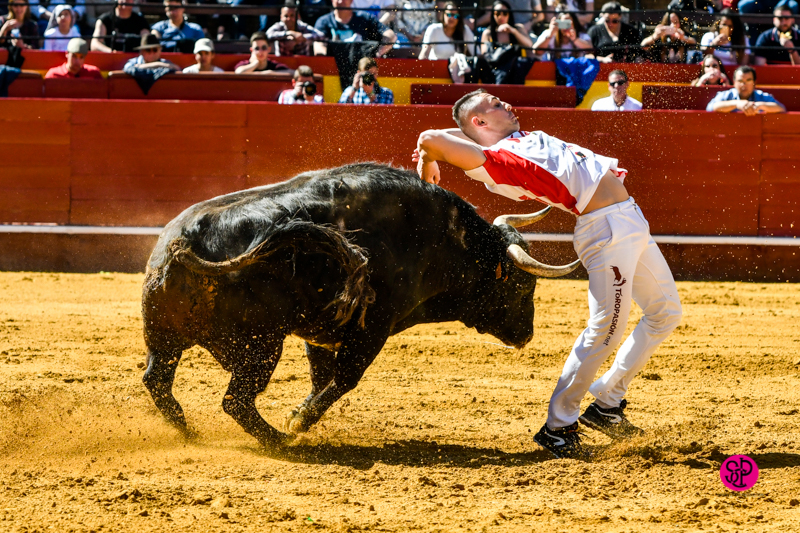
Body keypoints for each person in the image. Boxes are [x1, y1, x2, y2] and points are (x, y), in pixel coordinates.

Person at [413, 89, 682, 459]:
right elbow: (431, 138)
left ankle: (607, 403)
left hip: (628, 219)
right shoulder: (497, 160)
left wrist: (445, 146)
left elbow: (453, 133)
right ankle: (558, 427)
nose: (506, 104)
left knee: (665, 312)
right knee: (606, 327)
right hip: (605, 229)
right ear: (480, 121)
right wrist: (429, 158)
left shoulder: (517, 139)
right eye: (495, 104)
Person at [313, 0, 397, 57]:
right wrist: (325, 61)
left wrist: (377, 54)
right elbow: (318, 47)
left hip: (363, 69)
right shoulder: (323, 21)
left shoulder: (365, 18)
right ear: (332, 0)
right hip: (334, 70)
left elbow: (390, 35)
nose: (341, 1)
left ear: (351, 1)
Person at [706, 65, 786, 113]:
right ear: (734, 82)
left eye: (748, 81)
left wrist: (759, 105)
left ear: (754, 83)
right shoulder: (726, 95)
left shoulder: (761, 96)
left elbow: (781, 108)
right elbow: (710, 108)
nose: (744, 85)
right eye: (740, 81)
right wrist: (737, 104)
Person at [475, 0, 544, 36]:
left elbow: (540, 15)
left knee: (533, 50)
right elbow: (492, 12)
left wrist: (529, 24)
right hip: (504, 31)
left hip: (526, 32)